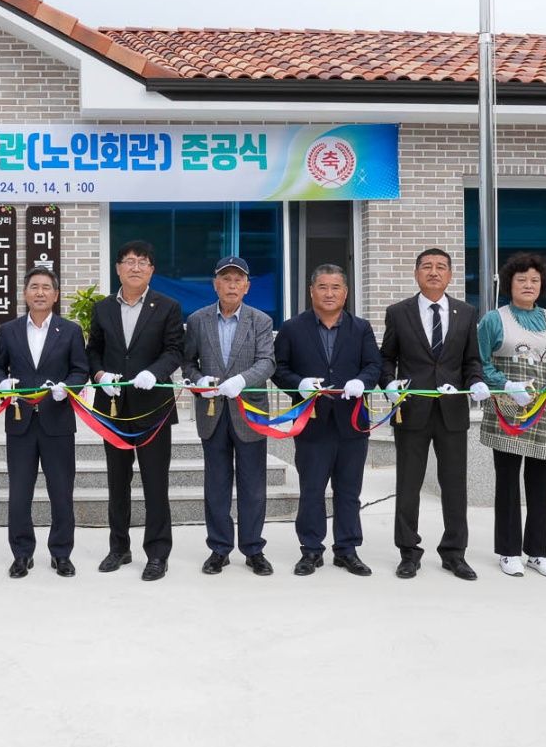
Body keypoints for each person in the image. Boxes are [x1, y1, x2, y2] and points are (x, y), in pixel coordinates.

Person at [379, 247, 483, 581]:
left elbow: (471, 361)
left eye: (441, 267)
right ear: (416, 273)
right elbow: (386, 359)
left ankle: (455, 553)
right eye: (427, 266)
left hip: (452, 411)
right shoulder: (398, 312)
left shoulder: (466, 312)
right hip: (412, 411)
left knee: (455, 486)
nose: (434, 272)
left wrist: (476, 383)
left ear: (450, 275)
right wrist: (389, 385)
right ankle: (408, 552)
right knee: (408, 485)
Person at [272, 264, 383, 577]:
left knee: (349, 491)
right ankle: (310, 550)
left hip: (352, 424)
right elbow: (279, 370)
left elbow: (374, 366)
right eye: (323, 286)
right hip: (313, 423)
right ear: (312, 291)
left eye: (336, 287)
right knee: (312, 489)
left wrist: (363, 381)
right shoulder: (293, 328)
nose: (329, 293)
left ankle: (347, 550)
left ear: (345, 293)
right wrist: (300, 384)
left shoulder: (360, 328)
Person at [86, 240, 185, 581]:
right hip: (113, 407)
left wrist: (153, 373)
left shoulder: (168, 306)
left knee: (155, 483)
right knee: (117, 481)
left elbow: (175, 350)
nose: (135, 267)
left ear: (152, 270)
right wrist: (99, 375)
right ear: (117, 268)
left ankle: (158, 553)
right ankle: (119, 547)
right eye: (129, 261)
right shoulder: (102, 309)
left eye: (143, 261)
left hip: (152, 408)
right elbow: (92, 351)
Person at [477, 252, 546, 579]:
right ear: (510, 283)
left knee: (540, 485)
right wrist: (504, 384)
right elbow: (481, 361)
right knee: (507, 483)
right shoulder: (494, 319)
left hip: (545, 410)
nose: (528, 285)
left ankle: (538, 551)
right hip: (507, 411)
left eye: (534, 280)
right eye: (522, 280)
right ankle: (508, 551)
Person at [183, 256, 278, 576]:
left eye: (239, 279)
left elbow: (268, 362)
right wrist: (198, 381)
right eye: (226, 279)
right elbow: (188, 362)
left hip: (249, 412)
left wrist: (241, 380)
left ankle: (253, 549)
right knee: (217, 485)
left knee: (253, 486)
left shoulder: (261, 320)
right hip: (212, 412)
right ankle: (219, 549)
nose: (232, 284)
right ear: (215, 284)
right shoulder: (197, 320)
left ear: (247, 286)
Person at [0, 266, 90, 578]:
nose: (39, 292)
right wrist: (2, 384)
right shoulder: (8, 330)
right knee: (19, 492)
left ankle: (61, 554)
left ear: (56, 294)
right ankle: (22, 554)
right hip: (20, 423)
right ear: (24, 293)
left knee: (61, 491)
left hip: (57, 422)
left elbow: (80, 370)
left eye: (46, 287)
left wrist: (69, 389)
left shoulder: (70, 330)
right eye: (33, 287)